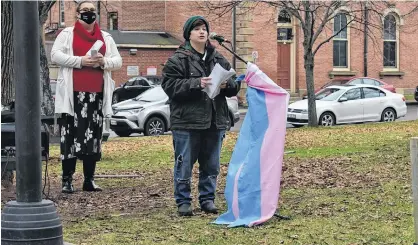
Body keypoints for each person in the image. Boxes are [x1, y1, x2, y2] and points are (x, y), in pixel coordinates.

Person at [162, 16, 240, 216]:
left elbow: (234, 84)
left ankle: (207, 199)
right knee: (184, 163)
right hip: (187, 122)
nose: (202, 32)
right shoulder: (177, 59)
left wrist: (227, 85)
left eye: (204, 28)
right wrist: (197, 84)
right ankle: (183, 201)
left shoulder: (217, 57)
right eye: (197, 29)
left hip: (215, 120)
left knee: (211, 164)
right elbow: (169, 87)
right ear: (189, 34)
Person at [51, 0, 122, 193]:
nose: (89, 13)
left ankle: (89, 180)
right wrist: (80, 61)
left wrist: (103, 61)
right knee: (70, 137)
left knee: (93, 138)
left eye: (92, 10)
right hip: (73, 96)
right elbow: (55, 55)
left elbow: (118, 61)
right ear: (78, 14)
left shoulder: (105, 37)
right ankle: (67, 180)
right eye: (85, 10)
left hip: (96, 96)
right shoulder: (66, 34)